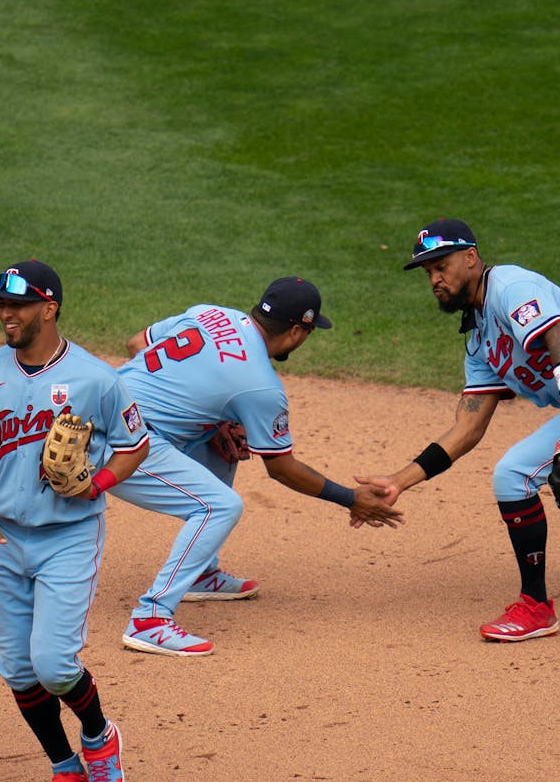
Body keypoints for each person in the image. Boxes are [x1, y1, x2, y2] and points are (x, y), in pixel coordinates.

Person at [357, 219, 560, 643]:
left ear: (471, 258)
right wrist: (398, 481)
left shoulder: (510, 287)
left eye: (441, 266)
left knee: (513, 475)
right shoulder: (478, 338)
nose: (435, 280)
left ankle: (536, 606)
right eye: (427, 273)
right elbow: (467, 429)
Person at [0, 260, 150, 782]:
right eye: (2, 306)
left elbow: (136, 444)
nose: (6, 315)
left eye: (18, 306)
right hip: (7, 540)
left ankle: (100, 739)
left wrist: (98, 485)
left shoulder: (96, 379)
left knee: (55, 664)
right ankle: (65, 769)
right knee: (17, 670)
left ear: (49, 309)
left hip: (69, 536)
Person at [111, 277, 403, 656]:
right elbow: (281, 468)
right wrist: (350, 498)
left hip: (98, 411)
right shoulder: (261, 386)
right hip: (119, 445)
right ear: (298, 331)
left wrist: (211, 419)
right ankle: (150, 618)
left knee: (225, 439)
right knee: (219, 505)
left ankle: (200, 572)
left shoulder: (210, 313)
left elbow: (136, 345)